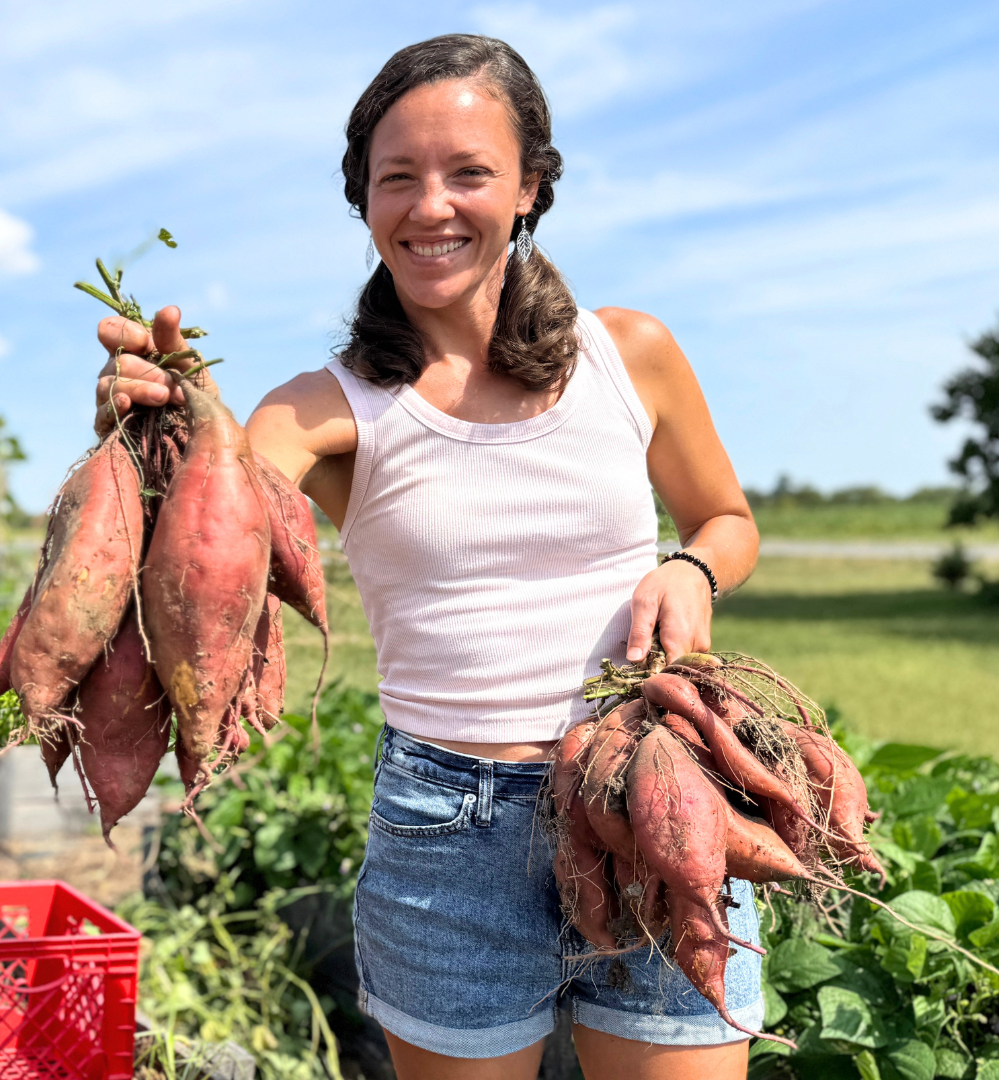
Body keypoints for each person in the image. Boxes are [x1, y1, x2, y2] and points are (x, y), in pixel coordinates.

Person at [95, 34, 762, 1080]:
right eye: (396, 177)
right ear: (363, 200)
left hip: (656, 792)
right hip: (453, 836)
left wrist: (694, 570)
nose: (430, 205)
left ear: (531, 187)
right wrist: (170, 425)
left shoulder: (628, 354)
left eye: (470, 173)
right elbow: (204, 535)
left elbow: (726, 517)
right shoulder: (320, 410)